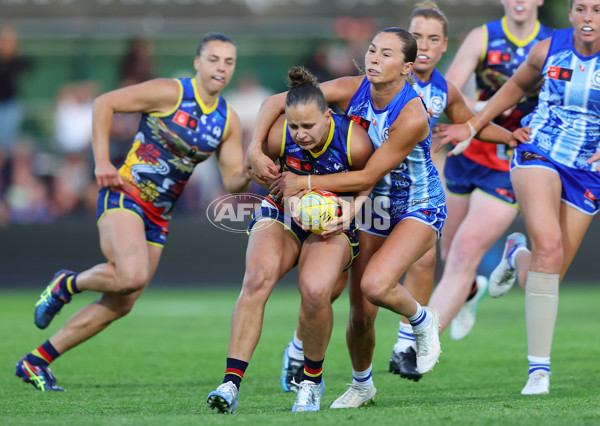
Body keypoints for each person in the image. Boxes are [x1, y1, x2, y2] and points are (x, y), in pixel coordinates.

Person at [14, 33, 250, 392]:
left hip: (159, 215)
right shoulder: (171, 93)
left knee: (123, 302)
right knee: (132, 275)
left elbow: (233, 181)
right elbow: (103, 103)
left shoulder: (226, 120)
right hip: (124, 195)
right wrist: (103, 160)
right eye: (214, 59)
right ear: (197, 62)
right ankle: (67, 283)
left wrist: (253, 170)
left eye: (229, 61)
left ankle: (36, 361)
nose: (221, 67)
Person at [248, 27, 444, 409]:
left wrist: (302, 181)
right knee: (359, 316)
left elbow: (368, 175)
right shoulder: (354, 87)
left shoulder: (413, 114)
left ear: (406, 67)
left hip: (416, 205)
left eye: (386, 54)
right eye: (372, 50)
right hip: (368, 206)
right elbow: (277, 101)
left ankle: (421, 319)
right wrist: (255, 147)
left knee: (375, 285)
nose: (374, 58)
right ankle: (362, 386)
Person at [436, 0, 600, 395]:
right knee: (549, 244)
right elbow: (515, 88)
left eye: (597, 9)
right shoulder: (547, 48)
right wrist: (473, 126)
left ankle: (514, 255)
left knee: (547, 277)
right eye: (581, 9)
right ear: (571, 13)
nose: (588, 18)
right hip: (537, 150)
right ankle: (538, 372)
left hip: (587, 168)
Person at [206, 66, 373, 413]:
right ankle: (230, 384)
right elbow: (262, 171)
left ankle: (311, 382)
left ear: (327, 116)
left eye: (308, 126)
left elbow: (367, 181)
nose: (300, 134)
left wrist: (351, 210)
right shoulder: (279, 135)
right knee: (256, 279)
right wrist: (262, 166)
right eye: (294, 126)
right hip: (282, 212)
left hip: (333, 221)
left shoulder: (354, 138)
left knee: (316, 292)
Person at [388, 1, 524, 380]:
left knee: (439, 258)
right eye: (417, 37)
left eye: (434, 39)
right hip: (391, 183)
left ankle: (409, 348)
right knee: (442, 257)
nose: (425, 45)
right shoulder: (386, 75)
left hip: (453, 178)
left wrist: (513, 136)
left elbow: (466, 116)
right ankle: (305, 352)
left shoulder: (444, 89)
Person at [426, 0, 552, 341]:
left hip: (510, 158)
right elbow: (446, 92)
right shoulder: (484, 37)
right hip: (468, 151)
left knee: (465, 251)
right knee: (449, 251)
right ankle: (468, 293)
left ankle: (414, 348)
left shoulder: (553, 43)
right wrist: (487, 108)